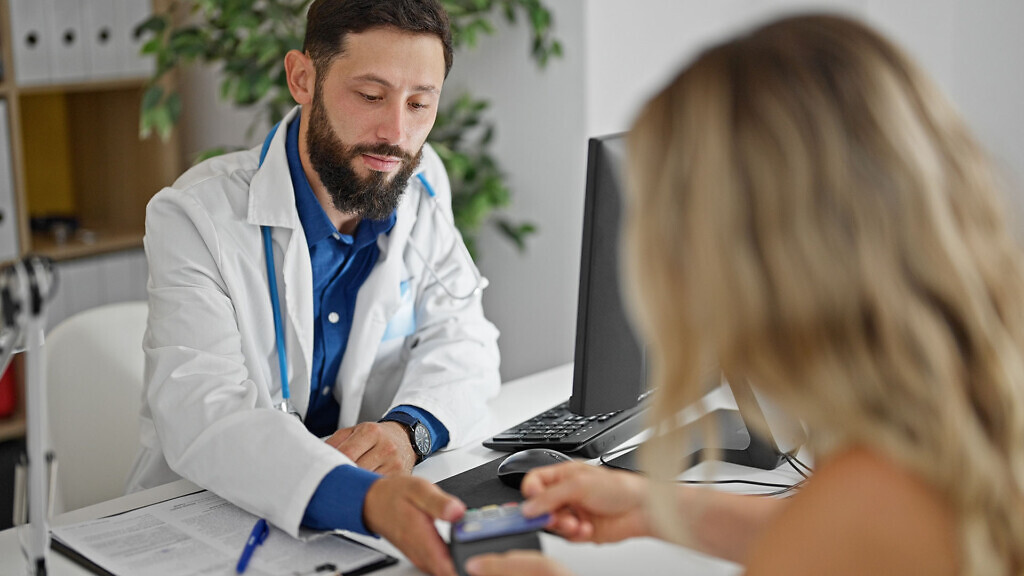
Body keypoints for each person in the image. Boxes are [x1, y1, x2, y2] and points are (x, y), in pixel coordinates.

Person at [466, 13, 1024, 576]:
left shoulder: (872, 492)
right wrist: (650, 507)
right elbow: (837, 542)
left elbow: (851, 531)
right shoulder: (963, 402)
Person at [127, 1, 500, 574]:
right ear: (303, 78)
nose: (396, 134)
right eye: (371, 96)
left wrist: (409, 432)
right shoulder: (194, 216)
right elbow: (204, 413)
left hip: (353, 540)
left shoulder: (421, 183)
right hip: (212, 524)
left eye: (420, 104)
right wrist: (364, 499)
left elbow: (466, 339)